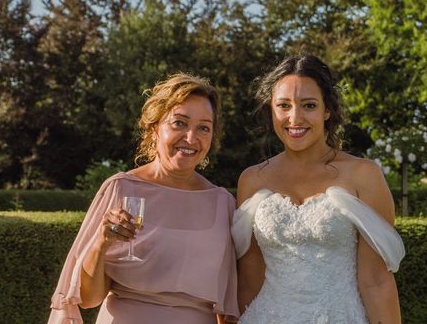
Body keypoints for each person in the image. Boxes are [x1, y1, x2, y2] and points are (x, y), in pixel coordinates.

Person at [49, 73, 239, 324]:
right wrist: (101, 241)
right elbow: (88, 298)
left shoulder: (222, 203)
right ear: (154, 129)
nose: (191, 138)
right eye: (179, 123)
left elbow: (227, 310)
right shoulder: (121, 188)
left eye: (203, 127)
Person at [232, 55, 405, 323]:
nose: (295, 118)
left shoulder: (364, 174)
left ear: (327, 110)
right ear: (271, 110)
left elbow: (376, 281)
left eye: (309, 105)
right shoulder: (252, 179)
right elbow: (249, 277)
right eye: (283, 106)